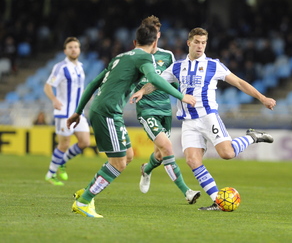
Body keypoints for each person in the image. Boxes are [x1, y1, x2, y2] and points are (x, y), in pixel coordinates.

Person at [131, 27, 276, 211]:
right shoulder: (178, 66)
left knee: (227, 154)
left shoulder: (213, 65)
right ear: (189, 43)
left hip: (208, 117)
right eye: (197, 42)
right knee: (192, 161)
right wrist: (143, 91)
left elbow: (239, 82)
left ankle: (253, 137)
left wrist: (262, 98)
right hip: (189, 122)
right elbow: (157, 82)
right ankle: (218, 200)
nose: (200, 46)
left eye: (203, 43)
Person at [67, 24, 196, 218]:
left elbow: (94, 83)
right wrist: (181, 96)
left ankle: (86, 191)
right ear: (154, 44)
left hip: (104, 109)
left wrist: (78, 111)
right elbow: (154, 77)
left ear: (134, 42)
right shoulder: (145, 57)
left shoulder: (119, 57)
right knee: (118, 163)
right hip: (108, 111)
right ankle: (84, 201)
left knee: (127, 156)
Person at [135, 16, 200, 204]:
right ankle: (187, 192)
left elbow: (176, 82)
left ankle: (146, 169)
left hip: (165, 109)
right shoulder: (135, 56)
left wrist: (184, 99)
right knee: (167, 148)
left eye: (156, 32)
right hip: (147, 109)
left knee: (159, 154)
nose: (154, 36)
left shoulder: (168, 56)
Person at [44, 37, 90, 186]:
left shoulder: (80, 67)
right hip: (64, 112)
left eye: (76, 47)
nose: (73, 49)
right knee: (64, 144)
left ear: (79, 49)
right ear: (65, 50)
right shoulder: (61, 67)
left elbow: (80, 88)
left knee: (85, 142)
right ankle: (50, 174)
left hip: (78, 112)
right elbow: (48, 86)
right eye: (70, 47)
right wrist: (54, 99)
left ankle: (62, 162)